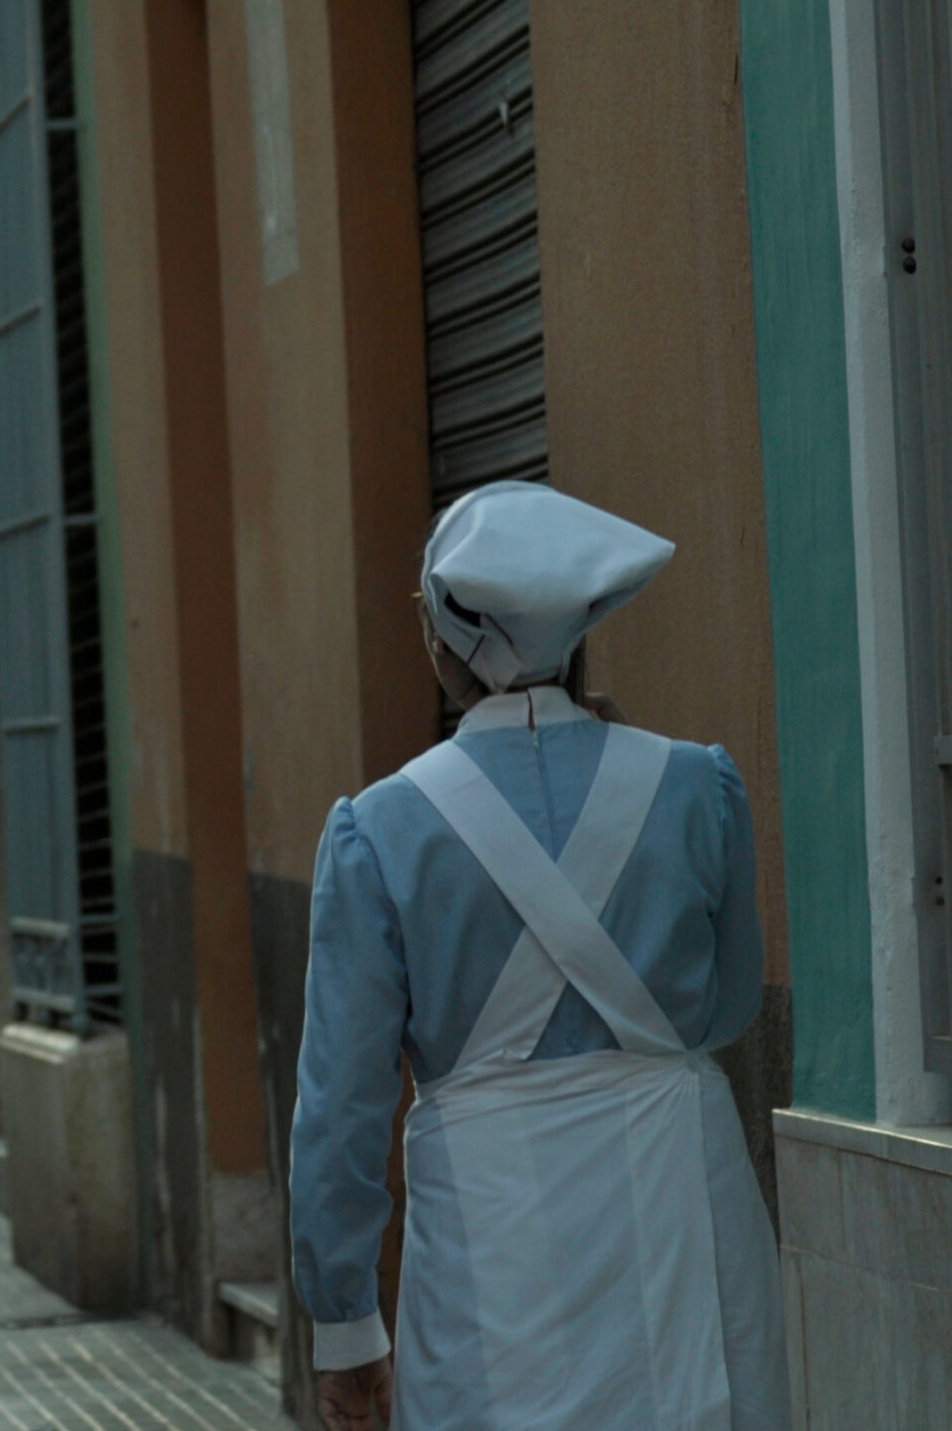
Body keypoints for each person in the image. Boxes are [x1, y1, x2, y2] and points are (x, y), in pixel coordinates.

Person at [293, 481, 786, 1431]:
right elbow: (726, 1011)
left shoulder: (378, 831)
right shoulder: (697, 789)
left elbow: (342, 1109)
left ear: (444, 641)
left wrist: (348, 1335)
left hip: (491, 1237)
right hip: (680, 1198)